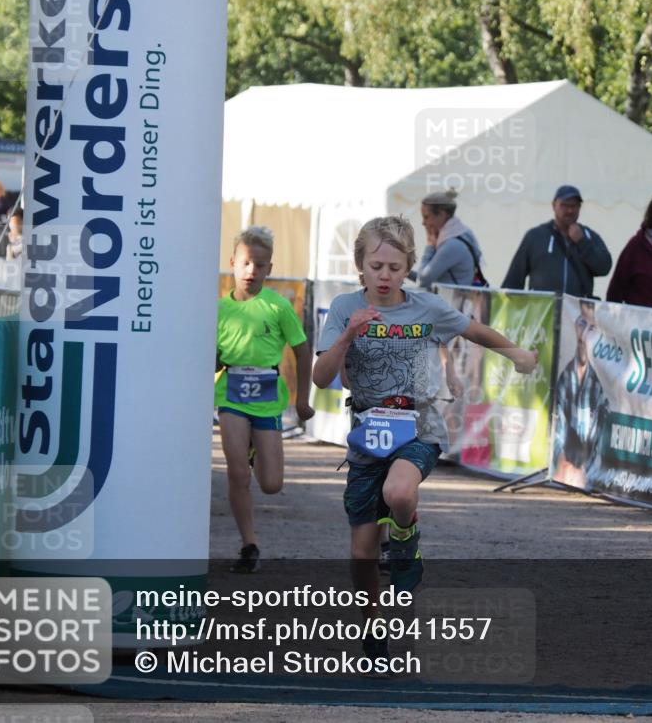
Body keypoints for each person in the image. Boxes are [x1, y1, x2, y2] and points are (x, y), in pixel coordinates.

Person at [313, 215, 537, 663]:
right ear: (361, 264)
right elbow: (321, 377)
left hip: (418, 426)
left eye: (395, 267)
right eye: (376, 265)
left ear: (409, 266)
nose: (385, 275)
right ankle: (374, 633)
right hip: (366, 434)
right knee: (361, 552)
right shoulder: (343, 308)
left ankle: (406, 534)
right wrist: (351, 333)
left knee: (399, 491)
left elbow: (472, 329)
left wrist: (515, 352)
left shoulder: (426, 308)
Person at [215, 226, 315, 573]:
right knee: (237, 472)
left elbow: (302, 353)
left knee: (272, 485)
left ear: (269, 269)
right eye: (245, 263)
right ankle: (249, 544)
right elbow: (211, 358)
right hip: (230, 396)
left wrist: (303, 400)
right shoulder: (219, 310)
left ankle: (256, 451)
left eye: (259, 265)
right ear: (232, 263)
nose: (251, 271)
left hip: (268, 399)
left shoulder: (278, 306)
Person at [501, 185, 612, 298]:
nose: (570, 210)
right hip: (542, 312)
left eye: (574, 206)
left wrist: (582, 242)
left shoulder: (589, 236)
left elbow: (604, 268)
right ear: (554, 206)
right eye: (564, 205)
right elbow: (514, 279)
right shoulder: (535, 237)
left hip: (577, 313)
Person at [551, 301, 610, 489]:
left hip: (586, 476)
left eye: (591, 328)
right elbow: (557, 436)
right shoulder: (565, 376)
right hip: (563, 473)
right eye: (582, 324)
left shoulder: (602, 385)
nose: (584, 335)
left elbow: (600, 449)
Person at [411, 189, 485, 288]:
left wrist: (430, 247)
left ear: (442, 214)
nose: (423, 223)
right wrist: (404, 272)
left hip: (453, 302)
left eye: (426, 217)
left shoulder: (452, 245)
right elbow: (425, 277)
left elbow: (422, 281)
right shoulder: (462, 232)